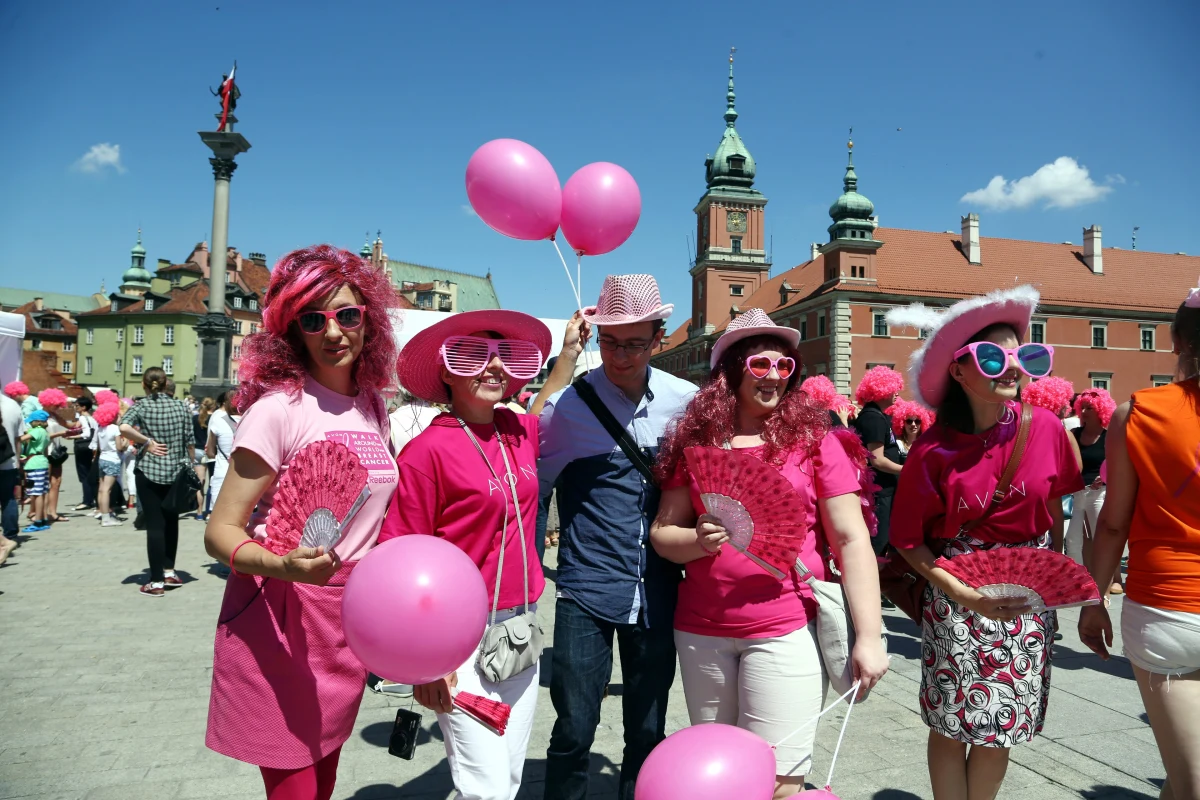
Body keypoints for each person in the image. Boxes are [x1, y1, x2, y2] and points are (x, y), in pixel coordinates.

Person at [650, 309, 888, 797]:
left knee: (779, 781)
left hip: (784, 626)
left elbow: (851, 540)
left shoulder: (812, 441)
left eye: (785, 367)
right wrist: (697, 540)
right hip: (701, 632)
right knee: (721, 776)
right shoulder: (696, 444)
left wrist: (870, 636)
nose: (775, 376)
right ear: (733, 370)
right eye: (761, 365)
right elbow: (662, 533)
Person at [203, 244, 400, 800]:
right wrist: (282, 565)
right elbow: (220, 531)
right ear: (293, 330)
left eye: (347, 315)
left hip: (347, 620)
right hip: (280, 615)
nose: (333, 331)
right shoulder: (277, 408)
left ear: (369, 322)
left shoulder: (372, 406)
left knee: (326, 781)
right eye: (313, 319)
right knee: (294, 787)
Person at [886, 286, 1083, 800]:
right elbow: (908, 540)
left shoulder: (1047, 430)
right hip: (955, 593)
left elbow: (1056, 518)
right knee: (952, 721)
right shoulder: (932, 450)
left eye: (1025, 356)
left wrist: (1059, 581)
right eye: (993, 357)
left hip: (1027, 596)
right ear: (958, 369)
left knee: (1002, 724)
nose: (1011, 368)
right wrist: (961, 593)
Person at [535, 275, 697, 800]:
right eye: (609, 341)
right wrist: (528, 567)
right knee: (573, 729)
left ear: (658, 338)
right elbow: (527, 476)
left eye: (634, 343)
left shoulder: (686, 402)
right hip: (586, 588)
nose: (620, 355)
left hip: (658, 588)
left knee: (648, 729)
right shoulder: (570, 407)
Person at [380, 308, 552, 800]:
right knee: (486, 788)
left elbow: (552, 401)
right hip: (460, 640)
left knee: (508, 777)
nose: (493, 367)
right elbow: (401, 560)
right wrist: (425, 663)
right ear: (446, 371)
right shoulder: (426, 453)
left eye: (507, 356)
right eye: (473, 355)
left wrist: (573, 353)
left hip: (521, 627)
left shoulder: (517, 432)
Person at [1078, 284, 1200, 800]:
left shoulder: (1139, 413)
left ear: (1174, 341)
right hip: (1168, 610)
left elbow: (1113, 523)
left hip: (1168, 609)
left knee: (1188, 775)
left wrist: (1093, 600)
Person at [119, 367, 195, 596]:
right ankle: (169, 571)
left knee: (154, 525)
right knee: (172, 522)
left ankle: (156, 582)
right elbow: (190, 442)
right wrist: (190, 467)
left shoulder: (141, 406)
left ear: (144, 384)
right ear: (165, 384)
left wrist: (147, 442)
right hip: (176, 472)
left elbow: (123, 426)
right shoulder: (181, 406)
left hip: (149, 471)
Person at [1065, 389, 1118, 586]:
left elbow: (1116, 465)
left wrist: (1103, 479)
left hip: (1099, 493)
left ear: (1101, 411)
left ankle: (1104, 581)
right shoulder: (1074, 434)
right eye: (1083, 407)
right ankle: (1075, 581)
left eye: (1090, 408)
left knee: (1100, 537)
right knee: (1072, 538)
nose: (1085, 411)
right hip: (1076, 492)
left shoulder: (1109, 436)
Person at [853, 365, 905, 556]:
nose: (897, 393)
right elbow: (878, 460)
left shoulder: (876, 416)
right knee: (879, 542)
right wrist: (906, 469)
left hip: (882, 489)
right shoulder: (873, 418)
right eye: (893, 389)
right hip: (880, 491)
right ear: (881, 390)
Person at [38, 389, 73, 524]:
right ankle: (40, 513)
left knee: (56, 482)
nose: (57, 407)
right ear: (47, 402)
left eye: (59, 405)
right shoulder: (39, 416)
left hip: (56, 451)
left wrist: (82, 423)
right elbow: (40, 436)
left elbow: (69, 425)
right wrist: (60, 434)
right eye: (55, 404)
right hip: (45, 451)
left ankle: (52, 512)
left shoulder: (54, 415)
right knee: (45, 483)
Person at [93, 403, 126, 527]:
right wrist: (125, 443)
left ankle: (103, 513)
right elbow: (119, 447)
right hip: (113, 459)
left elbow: (100, 447)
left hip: (102, 458)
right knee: (107, 490)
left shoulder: (101, 428)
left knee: (102, 489)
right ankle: (106, 518)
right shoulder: (114, 429)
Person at [19, 410, 52, 532]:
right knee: (42, 493)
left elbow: (21, 438)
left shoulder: (37, 431)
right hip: (42, 462)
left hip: (34, 463)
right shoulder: (44, 432)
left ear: (37, 422)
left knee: (36, 494)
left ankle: (38, 522)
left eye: (31, 421)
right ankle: (43, 519)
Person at [0, 390, 23, 561]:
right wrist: (19, 461)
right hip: (9, 460)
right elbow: (18, 438)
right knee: (8, 499)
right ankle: (10, 535)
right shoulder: (12, 405)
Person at [205, 392, 237, 513]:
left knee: (219, 517)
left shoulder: (218, 420)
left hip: (223, 474)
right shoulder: (253, 421)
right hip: (244, 478)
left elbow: (210, 452)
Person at [72, 397, 99, 511]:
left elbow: (86, 434)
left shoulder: (83, 418)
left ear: (83, 407)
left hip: (82, 447)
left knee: (84, 475)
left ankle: (86, 501)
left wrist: (71, 437)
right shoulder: (92, 418)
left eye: (77, 406)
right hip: (91, 447)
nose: (75, 407)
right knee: (90, 473)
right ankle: (92, 498)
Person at [193, 397, 216, 519]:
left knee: (200, 484)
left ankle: (199, 512)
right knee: (212, 482)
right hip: (210, 451)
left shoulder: (195, 418)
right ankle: (210, 511)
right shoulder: (215, 418)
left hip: (197, 451)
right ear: (213, 406)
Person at [890, 398, 934, 462]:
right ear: (902, 423)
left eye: (917, 421)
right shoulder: (898, 445)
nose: (913, 424)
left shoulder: (926, 445)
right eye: (909, 421)